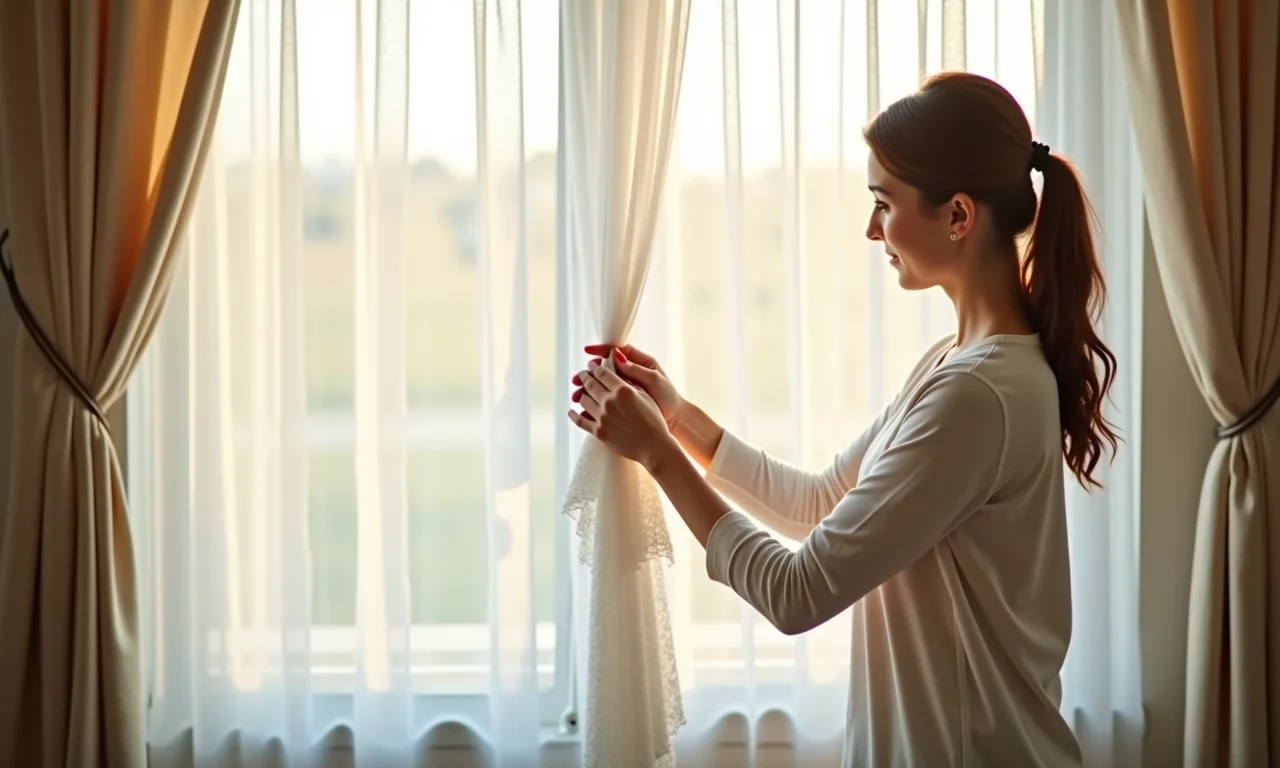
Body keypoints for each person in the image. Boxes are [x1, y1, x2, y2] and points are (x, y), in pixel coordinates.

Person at [568, 71, 1117, 767]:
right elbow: (821, 502)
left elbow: (798, 594)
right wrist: (678, 418)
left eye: (883, 204)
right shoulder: (958, 366)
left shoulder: (978, 395)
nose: (870, 229)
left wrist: (659, 457)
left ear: (957, 216)